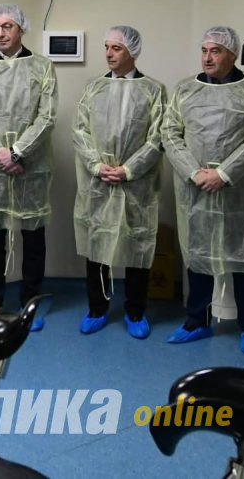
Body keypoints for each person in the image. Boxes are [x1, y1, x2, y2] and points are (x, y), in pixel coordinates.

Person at [162, 26, 244, 356]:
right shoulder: (185, 89)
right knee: (198, 255)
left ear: (233, 54)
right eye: (204, 51)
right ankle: (196, 322)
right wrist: (194, 172)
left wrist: (224, 174)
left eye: (215, 51)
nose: (208, 57)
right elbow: (169, 133)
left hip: (242, 191)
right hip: (196, 188)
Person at [0, 4, 57, 331]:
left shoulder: (42, 67)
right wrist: (0, 155)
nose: (0, 33)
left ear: (21, 29)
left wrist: (17, 153)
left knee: (33, 236)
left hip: (31, 166)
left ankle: (31, 302)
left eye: (7, 26)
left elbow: (46, 117)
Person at [73, 26, 166, 339]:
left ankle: (135, 311)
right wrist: (97, 166)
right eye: (107, 47)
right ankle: (97, 308)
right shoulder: (93, 88)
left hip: (136, 184)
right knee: (97, 244)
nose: (109, 54)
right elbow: (80, 131)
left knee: (138, 244)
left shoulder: (153, 90)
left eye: (117, 48)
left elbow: (157, 137)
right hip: (98, 181)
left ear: (133, 52)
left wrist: (128, 170)